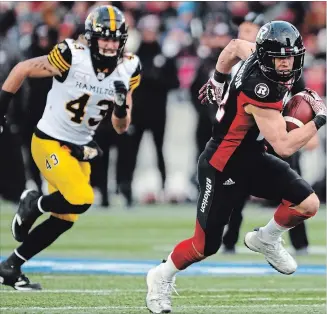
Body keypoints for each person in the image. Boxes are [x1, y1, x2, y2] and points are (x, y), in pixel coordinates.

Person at [145, 21, 326, 314]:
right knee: (205, 246)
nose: (285, 64)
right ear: (266, 56)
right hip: (222, 165)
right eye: (280, 58)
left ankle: (266, 237)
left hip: (252, 157)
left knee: (307, 203)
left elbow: (232, 47)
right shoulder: (261, 89)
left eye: (290, 57)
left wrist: (217, 78)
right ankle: (160, 276)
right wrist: (318, 119)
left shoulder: (256, 53)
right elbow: (284, 146)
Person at [0, 5, 141, 291]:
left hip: (79, 147)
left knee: (67, 217)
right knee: (82, 197)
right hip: (49, 139)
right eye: (105, 38)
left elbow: (120, 127)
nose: (110, 45)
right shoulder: (71, 55)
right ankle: (34, 203)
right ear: (91, 37)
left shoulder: (129, 67)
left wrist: (119, 104)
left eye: (115, 39)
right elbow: (22, 68)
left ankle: (10, 265)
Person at [222, 13, 314, 255]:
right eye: (242, 30)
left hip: (278, 133)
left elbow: (302, 99)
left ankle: (299, 243)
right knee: (235, 190)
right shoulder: (242, 64)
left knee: (296, 186)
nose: (244, 36)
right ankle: (229, 240)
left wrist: (307, 129)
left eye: (250, 31)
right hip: (248, 138)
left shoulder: (287, 63)